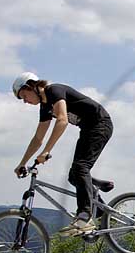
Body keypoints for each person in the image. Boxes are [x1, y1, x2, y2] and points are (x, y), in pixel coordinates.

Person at [12, 72, 114, 235]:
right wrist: (22, 163)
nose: (25, 101)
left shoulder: (54, 91)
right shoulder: (45, 107)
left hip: (100, 125)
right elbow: (38, 138)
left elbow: (62, 120)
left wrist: (47, 151)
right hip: (88, 130)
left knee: (80, 167)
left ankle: (85, 217)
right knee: (74, 176)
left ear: (31, 86)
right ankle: (101, 211)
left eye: (24, 96)